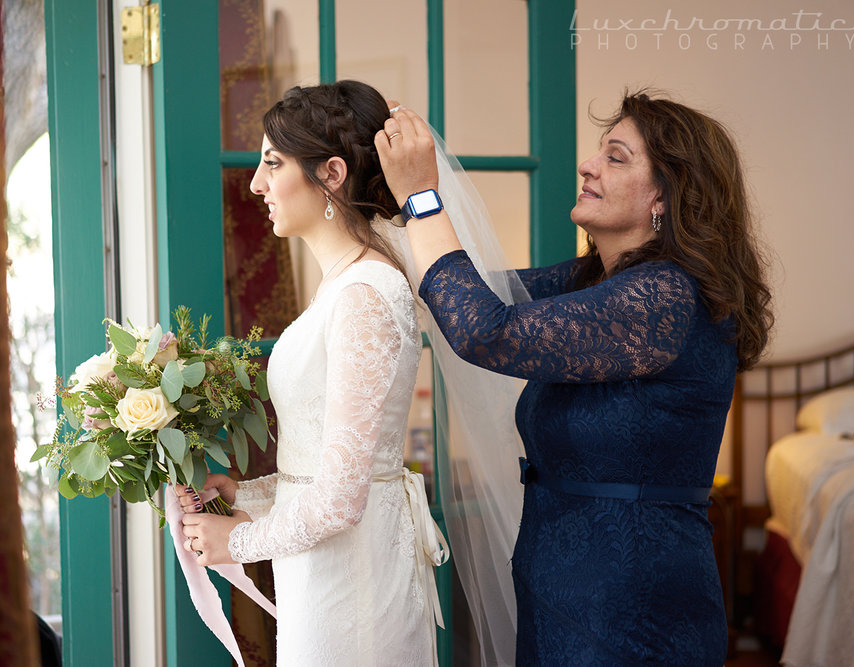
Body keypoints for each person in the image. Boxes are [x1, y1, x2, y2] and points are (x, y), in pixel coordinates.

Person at [374, 91, 773, 665]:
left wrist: (423, 196)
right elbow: (453, 294)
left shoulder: (666, 297)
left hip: (631, 605)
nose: (588, 165)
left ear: (666, 193)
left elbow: (486, 331)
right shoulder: (590, 280)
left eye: (616, 157)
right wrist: (378, 181)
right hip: (555, 585)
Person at [170, 80, 447, 666]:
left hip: (354, 585)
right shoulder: (345, 286)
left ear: (332, 174)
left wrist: (236, 541)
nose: (255, 183)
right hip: (325, 574)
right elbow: (329, 472)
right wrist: (248, 493)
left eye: (273, 163)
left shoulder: (365, 294)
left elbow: (342, 501)